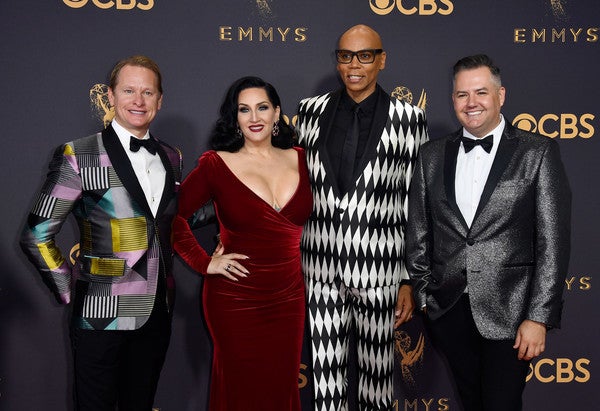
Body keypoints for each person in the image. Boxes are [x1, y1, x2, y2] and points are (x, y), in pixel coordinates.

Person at [405, 54, 571, 411]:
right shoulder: (430, 156)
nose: (472, 103)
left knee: (501, 404)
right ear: (452, 100)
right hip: (448, 310)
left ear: (501, 96)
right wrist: (423, 296)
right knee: (471, 402)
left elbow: (552, 243)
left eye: (481, 92)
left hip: (511, 314)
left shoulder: (537, 152)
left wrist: (538, 317)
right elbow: (418, 233)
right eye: (462, 95)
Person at [20, 55, 181, 410]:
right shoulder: (79, 154)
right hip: (99, 313)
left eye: (147, 92)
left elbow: (170, 220)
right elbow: (37, 232)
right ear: (110, 95)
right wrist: (71, 290)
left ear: (160, 100)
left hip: (156, 310)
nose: (138, 100)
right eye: (128, 90)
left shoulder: (171, 157)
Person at [295, 24, 429, 411]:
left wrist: (408, 277)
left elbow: (413, 202)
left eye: (365, 55)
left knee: (377, 384)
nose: (354, 65)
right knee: (326, 386)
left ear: (381, 60)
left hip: (381, 272)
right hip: (319, 268)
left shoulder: (409, 120)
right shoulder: (309, 111)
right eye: (345, 55)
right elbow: (290, 183)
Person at [172, 76, 313, 410]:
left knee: (281, 390)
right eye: (244, 110)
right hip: (235, 299)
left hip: (288, 296)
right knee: (240, 391)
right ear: (234, 117)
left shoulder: (304, 159)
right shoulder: (215, 164)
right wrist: (205, 262)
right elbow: (173, 220)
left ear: (277, 113)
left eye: (262, 107)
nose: (255, 117)